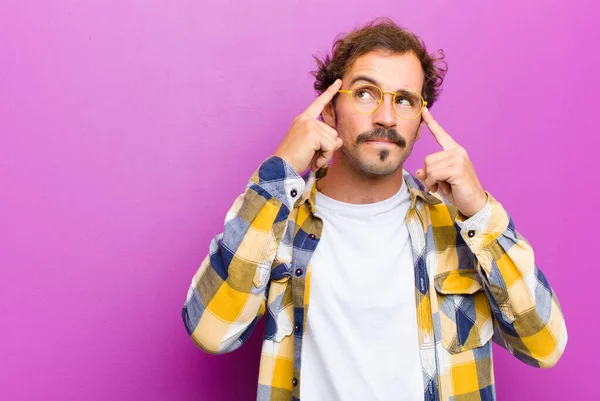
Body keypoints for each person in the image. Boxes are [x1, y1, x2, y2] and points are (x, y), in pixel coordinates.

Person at [181, 18, 567, 401]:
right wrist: (278, 172)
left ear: (419, 122)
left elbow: (545, 346)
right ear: (330, 110)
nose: (386, 117)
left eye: (404, 100)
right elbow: (211, 332)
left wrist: (480, 211)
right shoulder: (277, 221)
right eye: (366, 93)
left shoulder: (462, 225)